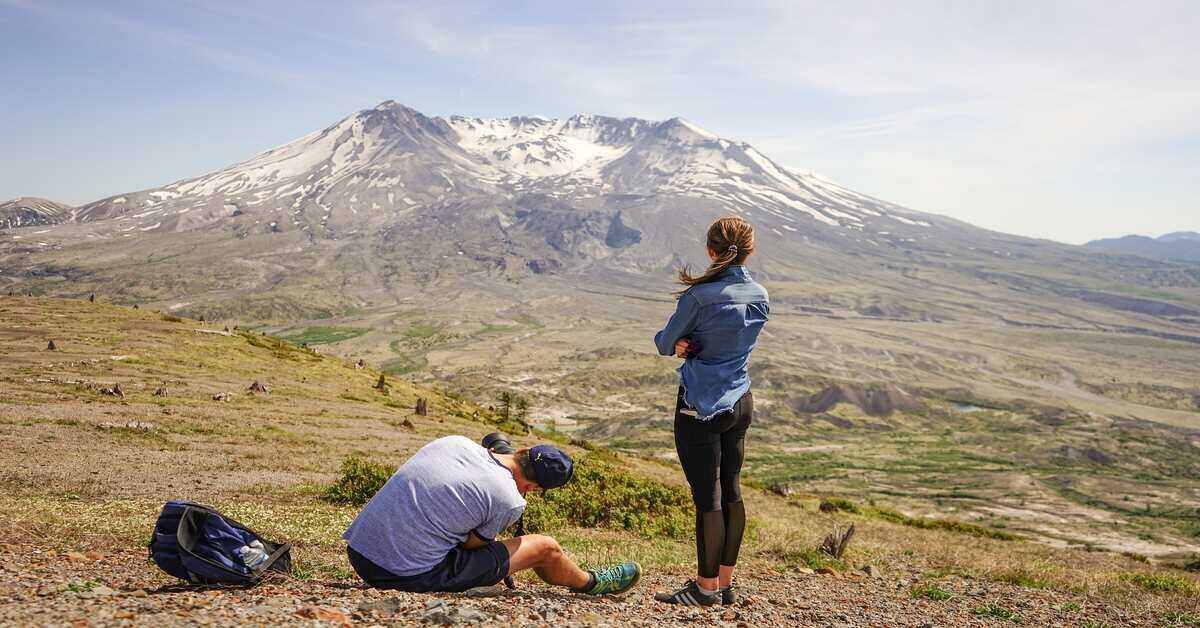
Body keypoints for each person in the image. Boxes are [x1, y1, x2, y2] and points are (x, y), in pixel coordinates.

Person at [342, 435, 641, 595]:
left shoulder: (454, 442)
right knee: (545, 547)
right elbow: (471, 547)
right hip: (402, 573)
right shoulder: (509, 497)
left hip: (359, 552)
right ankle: (592, 583)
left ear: (522, 449)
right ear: (533, 488)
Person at [651, 215, 769, 606]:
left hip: (700, 405)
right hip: (741, 401)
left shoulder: (699, 297)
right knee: (733, 492)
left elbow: (665, 342)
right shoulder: (760, 295)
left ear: (709, 250)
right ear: (749, 252)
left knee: (708, 499)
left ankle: (704, 589)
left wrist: (682, 344)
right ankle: (724, 583)